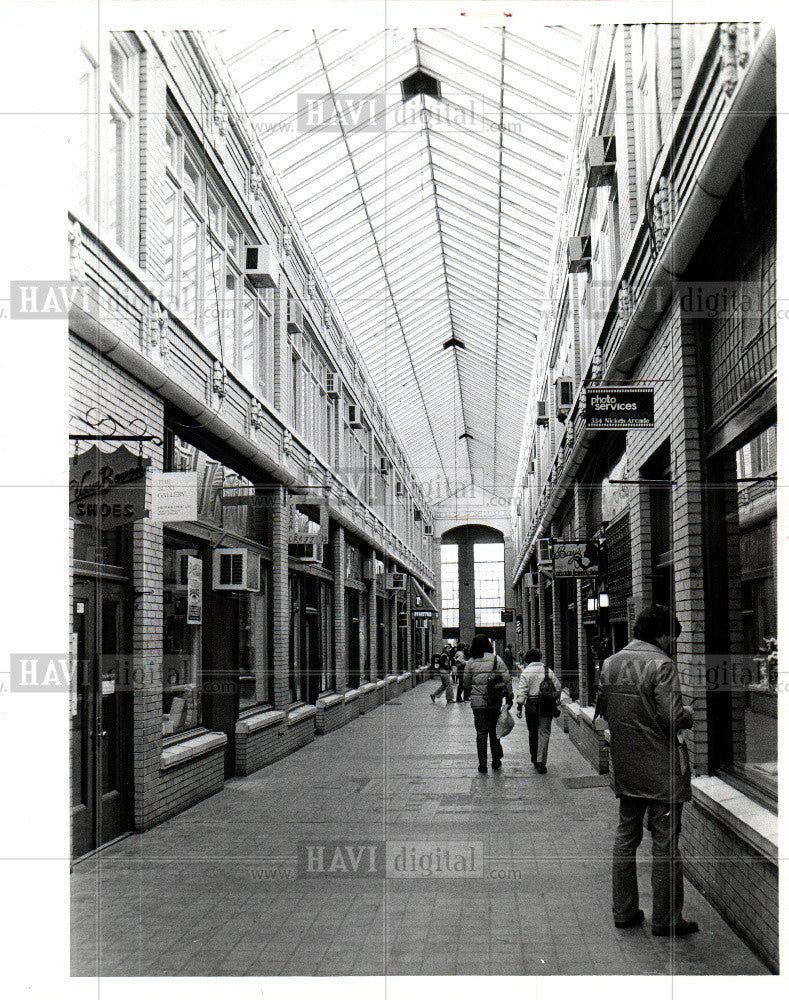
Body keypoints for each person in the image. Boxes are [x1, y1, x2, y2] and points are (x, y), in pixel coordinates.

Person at [595, 604, 698, 937]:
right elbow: (671, 717)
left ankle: (624, 911)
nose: (673, 645)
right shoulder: (662, 665)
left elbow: (606, 713)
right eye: (673, 638)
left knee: (626, 838)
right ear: (663, 633)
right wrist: (688, 713)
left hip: (626, 768)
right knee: (666, 844)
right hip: (661, 771)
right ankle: (666, 919)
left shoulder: (610, 664)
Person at [463, 635, 513, 772]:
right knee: (494, 731)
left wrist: (468, 694)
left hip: (478, 704)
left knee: (481, 732)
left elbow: (466, 683)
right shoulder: (497, 660)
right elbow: (507, 679)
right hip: (494, 702)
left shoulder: (471, 662)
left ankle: (482, 764)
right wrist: (510, 695)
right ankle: (496, 760)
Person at [515, 649, 560, 773]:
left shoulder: (526, 672)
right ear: (540, 658)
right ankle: (542, 761)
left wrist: (519, 706)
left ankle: (534, 758)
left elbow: (522, 690)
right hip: (546, 706)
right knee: (544, 733)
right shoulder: (547, 671)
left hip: (531, 706)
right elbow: (558, 687)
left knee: (533, 732)